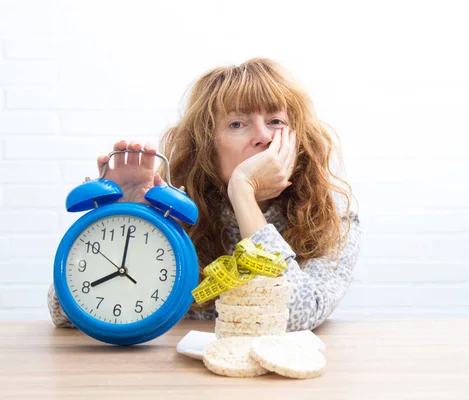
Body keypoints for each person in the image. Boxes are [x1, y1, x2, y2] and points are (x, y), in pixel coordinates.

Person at [47, 57, 361, 332]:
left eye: (275, 121)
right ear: (207, 147)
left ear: (297, 137)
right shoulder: (174, 211)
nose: (263, 137)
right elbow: (64, 312)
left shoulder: (332, 214)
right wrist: (125, 221)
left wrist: (243, 191)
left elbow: (292, 316)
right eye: (238, 123)